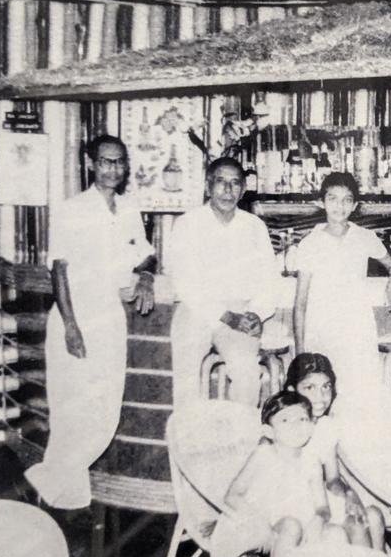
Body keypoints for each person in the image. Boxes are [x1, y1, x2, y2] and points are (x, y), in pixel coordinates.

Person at [25, 135, 156, 511]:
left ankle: (50, 483)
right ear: (90, 163)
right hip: (76, 314)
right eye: (105, 161)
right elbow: (59, 270)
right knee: (72, 409)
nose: (112, 169)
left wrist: (146, 276)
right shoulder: (71, 209)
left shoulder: (129, 209)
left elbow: (145, 254)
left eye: (118, 162)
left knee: (104, 409)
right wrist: (70, 325)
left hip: (109, 317)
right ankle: (60, 499)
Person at [169, 157, 283, 408]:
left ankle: (237, 444)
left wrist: (256, 313)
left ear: (243, 190)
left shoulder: (254, 226)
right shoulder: (188, 224)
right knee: (186, 382)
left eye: (235, 184)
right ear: (208, 186)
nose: (228, 190)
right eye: (221, 182)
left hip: (240, 313)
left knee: (247, 376)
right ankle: (189, 445)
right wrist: (224, 315)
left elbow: (269, 280)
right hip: (196, 311)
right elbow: (184, 283)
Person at [292, 172, 391, 407]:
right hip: (321, 330)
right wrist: (301, 352)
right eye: (332, 198)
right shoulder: (310, 243)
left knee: (359, 397)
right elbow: (300, 304)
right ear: (321, 202)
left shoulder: (365, 237)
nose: (339, 206)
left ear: (354, 205)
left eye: (346, 200)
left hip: (356, 330)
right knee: (320, 400)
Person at [210, 392, 343, 557]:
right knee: (291, 526)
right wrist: (259, 523)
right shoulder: (263, 455)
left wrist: (319, 518)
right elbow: (232, 496)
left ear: (311, 427)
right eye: (285, 421)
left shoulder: (311, 461)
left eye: (302, 419)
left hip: (295, 521)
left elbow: (322, 506)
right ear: (269, 431)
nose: (295, 426)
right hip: (251, 523)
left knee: (335, 534)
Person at [282, 352, 385, 550]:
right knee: (345, 531)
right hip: (293, 506)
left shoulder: (326, 426)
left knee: (367, 516)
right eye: (309, 388)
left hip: (321, 500)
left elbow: (332, 479)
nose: (320, 396)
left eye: (326, 387)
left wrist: (350, 495)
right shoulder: (282, 425)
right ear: (292, 389)